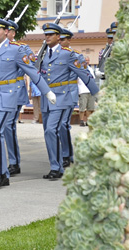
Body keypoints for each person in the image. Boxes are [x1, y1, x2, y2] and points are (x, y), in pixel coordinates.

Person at [0, 16, 54, 189]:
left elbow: (32, 72)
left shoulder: (16, 50)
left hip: (7, 96)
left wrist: (47, 91)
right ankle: (2, 174)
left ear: (6, 32)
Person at [39, 22, 98, 180]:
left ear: (58, 37)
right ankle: (55, 164)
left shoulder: (68, 54)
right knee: (48, 132)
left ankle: (57, 167)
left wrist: (98, 94)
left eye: (51, 34)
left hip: (62, 96)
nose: (48, 37)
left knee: (52, 129)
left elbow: (84, 73)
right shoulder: (41, 54)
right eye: (46, 35)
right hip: (47, 97)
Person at [1, 19, 30, 175]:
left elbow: (32, 64)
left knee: (8, 124)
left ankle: (14, 162)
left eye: (9, 31)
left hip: (16, 90)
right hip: (0, 91)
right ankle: (12, 161)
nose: (7, 34)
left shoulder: (22, 48)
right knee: (4, 126)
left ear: (13, 33)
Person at [57, 27, 78, 168]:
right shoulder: (54, 55)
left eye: (63, 39)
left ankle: (66, 154)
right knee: (56, 126)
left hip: (69, 93)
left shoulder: (73, 55)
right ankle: (62, 154)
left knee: (63, 124)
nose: (61, 42)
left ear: (69, 40)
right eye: (60, 39)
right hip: (57, 94)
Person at [78, 57, 96, 126]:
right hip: (83, 90)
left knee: (90, 107)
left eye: (88, 60)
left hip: (90, 90)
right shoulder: (79, 69)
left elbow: (93, 79)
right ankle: (81, 121)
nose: (87, 62)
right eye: (86, 60)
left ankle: (88, 121)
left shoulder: (91, 69)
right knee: (82, 107)